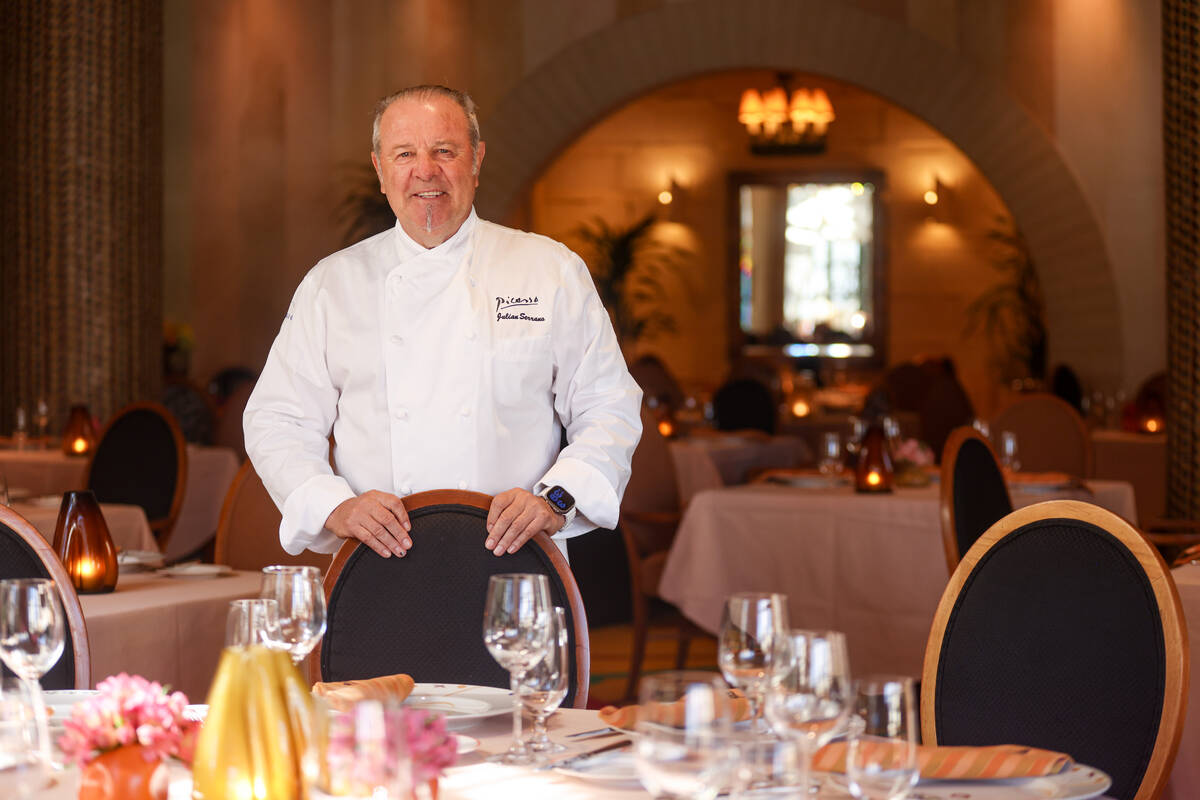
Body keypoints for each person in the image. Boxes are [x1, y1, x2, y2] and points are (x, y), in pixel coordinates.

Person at [244, 85, 642, 559]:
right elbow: (277, 418)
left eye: (445, 151)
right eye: (405, 153)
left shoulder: (550, 269)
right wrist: (334, 506)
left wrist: (556, 499)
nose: (425, 171)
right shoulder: (332, 285)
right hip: (378, 564)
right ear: (380, 169)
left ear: (476, 160)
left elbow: (609, 406)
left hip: (518, 557)